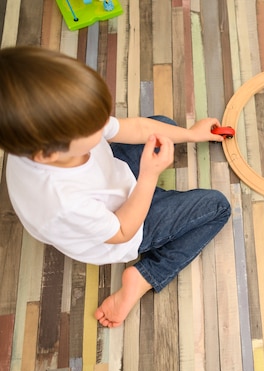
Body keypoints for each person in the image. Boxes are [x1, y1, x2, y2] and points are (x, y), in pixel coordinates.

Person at [0, 46, 231, 328]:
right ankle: (144, 277)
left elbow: (129, 128)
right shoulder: (62, 202)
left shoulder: (51, 134)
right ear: (47, 154)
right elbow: (122, 231)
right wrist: (148, 176)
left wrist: (192, 135)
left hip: (112, 178)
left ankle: (155, 167)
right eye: (93, 128)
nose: (103, 126)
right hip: (124, 225)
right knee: (218, 207)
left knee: (161, 127)